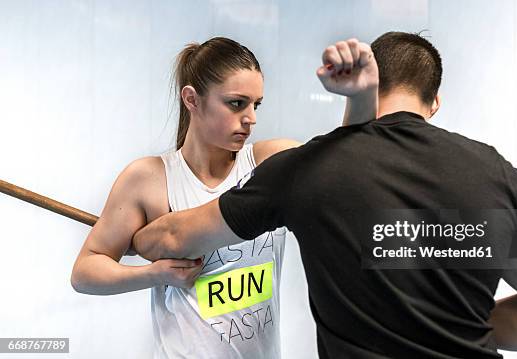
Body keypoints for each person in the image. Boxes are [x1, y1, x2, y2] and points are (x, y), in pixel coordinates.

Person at [132, 32, 517, 358]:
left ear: (374, 87)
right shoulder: (499, 175)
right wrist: (445, 322)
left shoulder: (304, 170)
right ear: (434, 102)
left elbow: (169, 238)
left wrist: (136, 238)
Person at [70, 37, 378, 359]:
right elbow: (86, 271)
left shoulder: (270, 162)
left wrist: (360, 95)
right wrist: (155, 274)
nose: (251, 118)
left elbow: (346, 160)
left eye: (255, 105)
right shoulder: (148, 179)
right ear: (192, 99)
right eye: (236, 103)